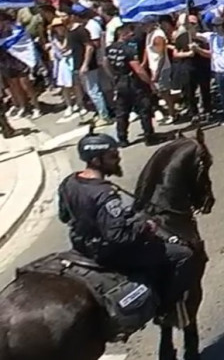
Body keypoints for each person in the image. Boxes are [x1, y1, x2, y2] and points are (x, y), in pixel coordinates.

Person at [58, 132, 194, 311]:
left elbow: (64, 216)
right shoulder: (105, 194)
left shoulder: (69, 182)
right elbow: (118, 236)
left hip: (80, 246)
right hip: (108, 253)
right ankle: (166, 306)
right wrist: (144, 226)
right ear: (96, 160)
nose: (118, 159)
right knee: (183, 254)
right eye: (112, 156)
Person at [103, 23, 158, 147]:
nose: (131, 34)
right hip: (133, 83)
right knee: (144, 109)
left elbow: (105, 63)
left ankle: (122, 139)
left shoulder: (109, 48)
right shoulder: (128, 50)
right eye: (128, 32)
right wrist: (150, 83)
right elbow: (138, 69)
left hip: (119, 82)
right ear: (121, 34)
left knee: (122, 112)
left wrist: (113, 77)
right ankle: (149, 136)